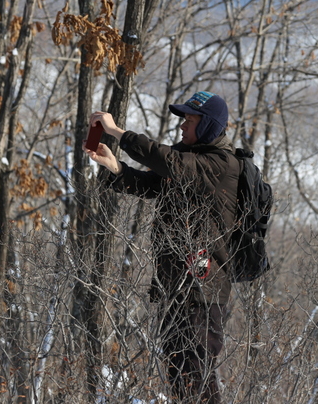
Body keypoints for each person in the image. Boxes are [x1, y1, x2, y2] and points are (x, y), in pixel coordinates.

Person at [85, 91, 239, 403]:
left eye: (190, 120)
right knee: (179, 376)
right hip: (174, 287)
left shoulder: (220, 164)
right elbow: (150, 185)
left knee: (195, 377)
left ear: (209, 126)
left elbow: (169, 161)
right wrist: (115, 167)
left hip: (202, 293)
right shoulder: (189, 162)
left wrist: (117, 132)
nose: (182, 126)